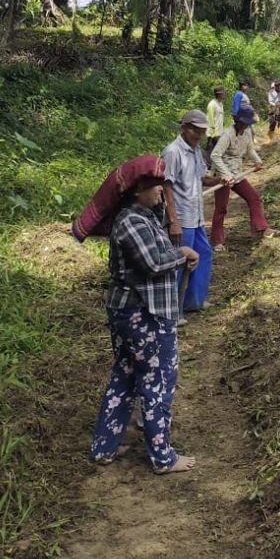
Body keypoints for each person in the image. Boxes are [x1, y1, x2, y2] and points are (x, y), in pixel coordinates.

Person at [85, 155, 199, 474]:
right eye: (156, 186)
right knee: (158, 377)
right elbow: (151, 264)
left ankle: (105, 446)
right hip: (141, 312)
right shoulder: (131, 222)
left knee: (126, 373)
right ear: (138, 190)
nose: (162, 191)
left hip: (131, 312)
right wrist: (181, 255)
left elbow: (161, 242)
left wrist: (175, 245)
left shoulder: (144, 216)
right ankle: (162, 456)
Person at [162, 110, 230, 315]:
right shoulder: (173, 152)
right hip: (181, 218)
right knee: (180, 262)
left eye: (202, 132)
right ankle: (173, 311)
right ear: (184, 129)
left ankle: (194, 301)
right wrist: (173, 220)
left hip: (196, 217)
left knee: (204, 255)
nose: (199, 136)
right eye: (196, 131)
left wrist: (220, 179)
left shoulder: (196, 151)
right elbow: (166, 186)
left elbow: (203, 179)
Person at [210, 104, 277, 249]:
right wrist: (225, 174)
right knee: (221, 208)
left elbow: (249, 150)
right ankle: (218, 241)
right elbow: (215, 155)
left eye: (248, 123)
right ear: (237, 121)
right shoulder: (227, 134)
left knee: (253, 197)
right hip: (223, 174)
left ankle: (262, 228)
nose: (246, 125)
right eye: (244, 122)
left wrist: (258, 161)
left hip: (237, 173)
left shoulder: (247, 133)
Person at [206, 85, 225, 157]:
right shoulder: (212, 104)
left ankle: (214, 166)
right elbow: (210, 119)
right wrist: (213, 132)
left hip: (219, 132)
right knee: (210, 150)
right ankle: (207, 166)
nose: (224, 94)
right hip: (213, 133)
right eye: (223, 93)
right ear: (219, 94)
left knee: (217, 151)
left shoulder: (220, 104)